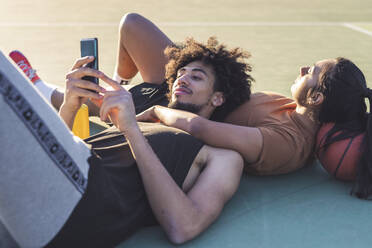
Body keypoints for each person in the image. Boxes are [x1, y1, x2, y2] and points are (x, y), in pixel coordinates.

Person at [1, 22, 253, 246]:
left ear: (218, 97)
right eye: (180, 74)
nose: (183, 79)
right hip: (37, 200)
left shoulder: (223, 157)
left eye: (196, 77)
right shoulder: (146, 110)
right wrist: (69, 105)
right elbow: (59, 156)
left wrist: (131, 129)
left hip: (80, 203)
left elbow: (183, 227)